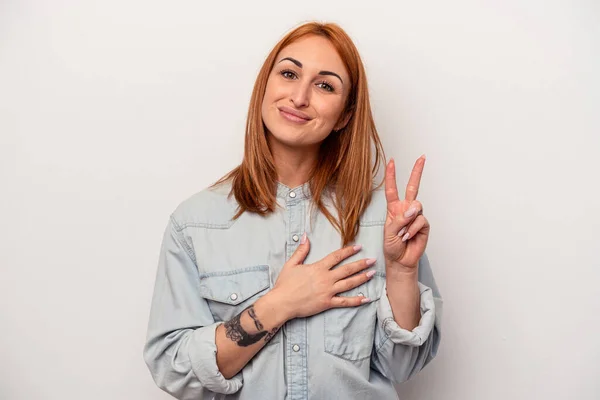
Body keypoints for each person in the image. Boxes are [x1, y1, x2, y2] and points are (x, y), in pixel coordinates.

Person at [143, 21, 442, 400]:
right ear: (266, 85)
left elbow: (404, 366)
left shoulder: (386, 222)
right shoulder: (195, 224)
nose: (300, 97)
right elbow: (173, 368)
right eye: (289, 73)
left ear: (345, 115)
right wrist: (279, 304)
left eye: (325, 85)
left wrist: (401, 273)